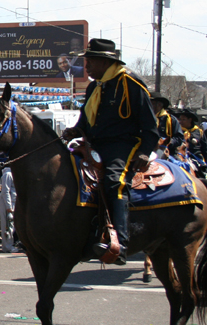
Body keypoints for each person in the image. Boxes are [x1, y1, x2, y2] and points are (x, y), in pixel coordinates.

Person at [63, 39, 158, 265]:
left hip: (123, 145)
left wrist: (144, 152)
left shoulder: (131, 84)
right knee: (66, 171)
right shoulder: (94, 86)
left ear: (105, 61)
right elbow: (85, 122)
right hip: (94, 144)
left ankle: (120, 244)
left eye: (90, 61)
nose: (86, 67)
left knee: (113, 181)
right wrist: (75, 130)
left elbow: (151, 127)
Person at [148, 92, 184, 157]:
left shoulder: (171, 120)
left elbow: (179, 138)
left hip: (167, 151)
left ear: (159, 105)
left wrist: (167, 141)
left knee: (179, 165)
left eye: (151, 104)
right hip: (146, 150)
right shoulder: (144, 119)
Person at [0, 166, 19, 253]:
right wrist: (8, 206)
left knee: (12, 225)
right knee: (7, 225)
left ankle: (10, 244)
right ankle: (7, 246)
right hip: (7, 202)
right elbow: (5, 191)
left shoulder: (13, 173)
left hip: (13, 202)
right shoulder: (8, 174)